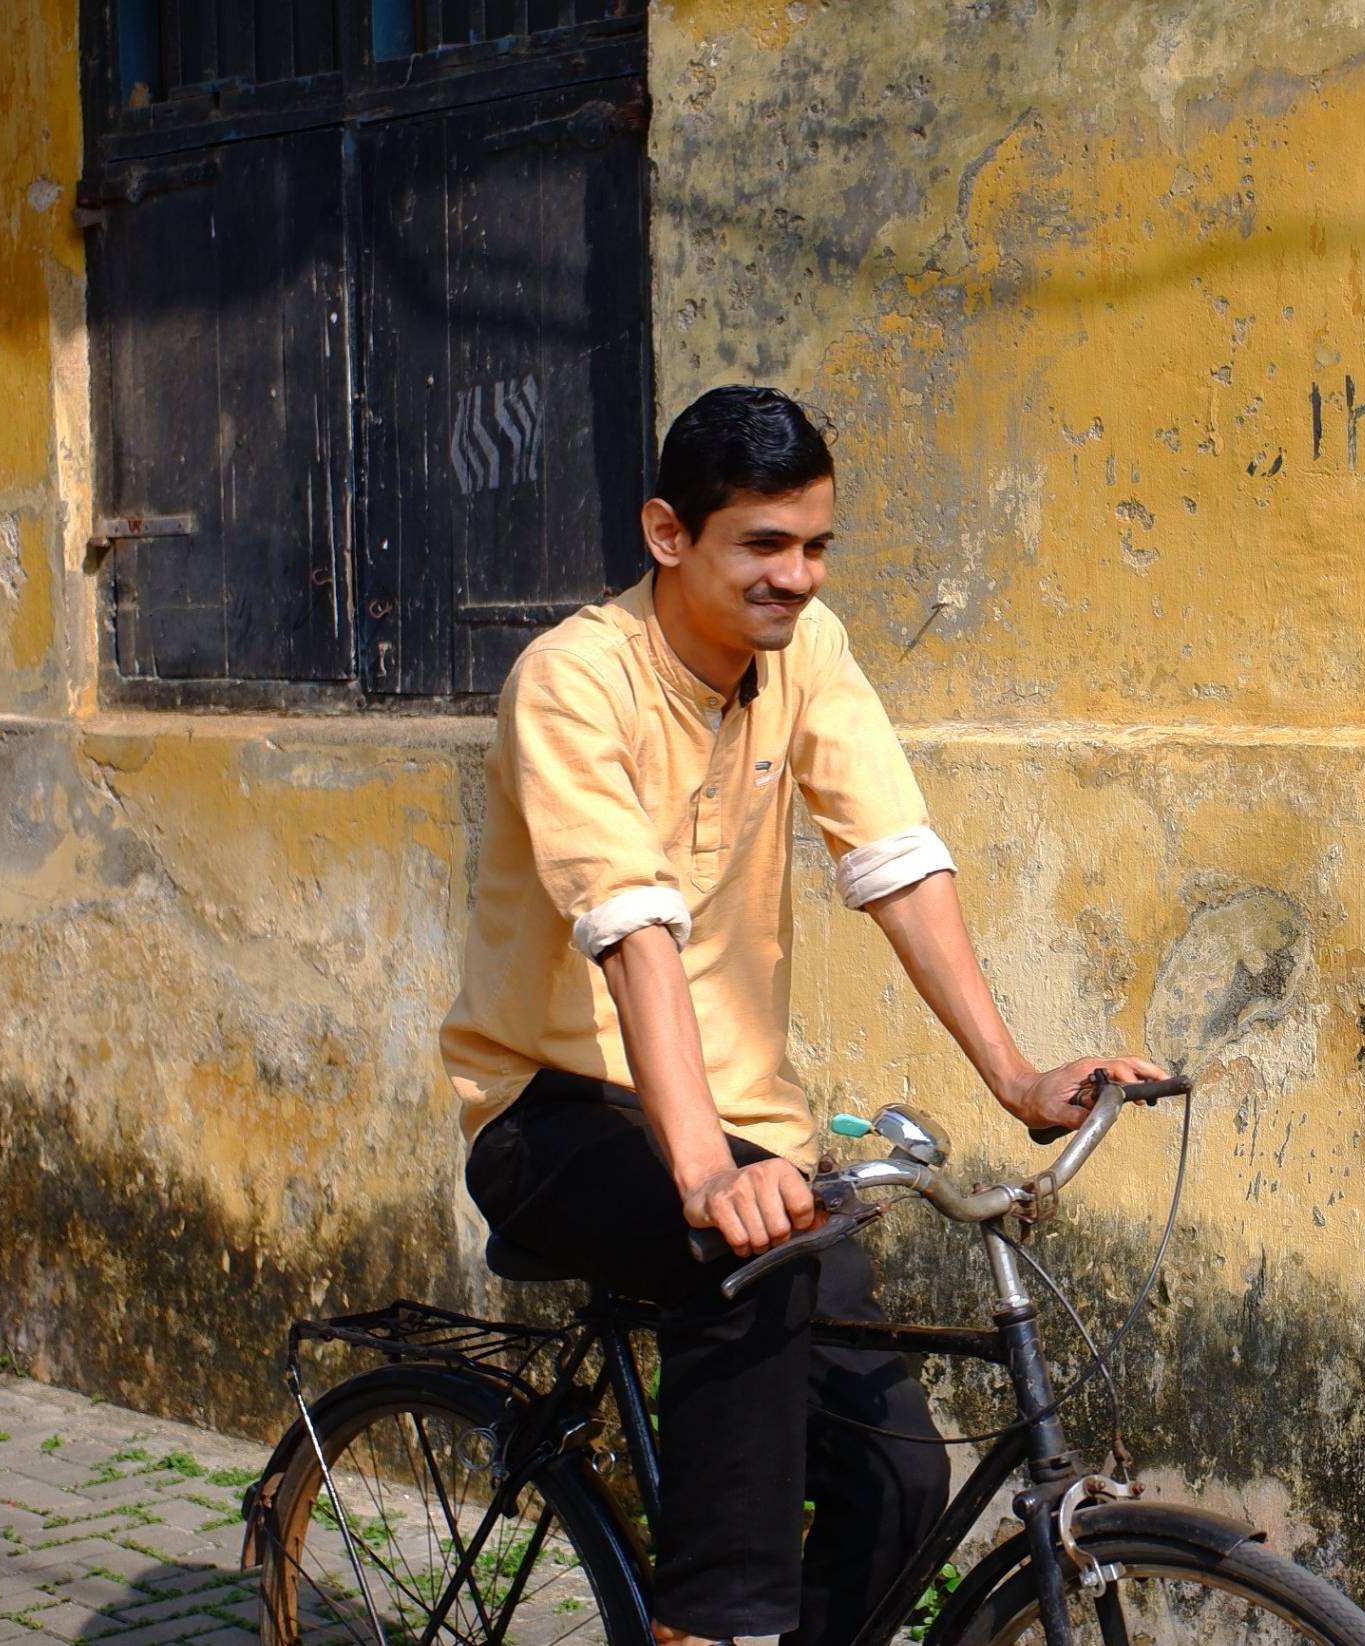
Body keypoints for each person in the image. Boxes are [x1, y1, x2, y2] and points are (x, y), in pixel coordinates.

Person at [441, 385, 1166, 1646]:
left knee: (898, 1477)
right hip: (550, 1111)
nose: (798, 577)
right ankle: (710, 1629)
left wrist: (1014, 1077)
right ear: (669, 533)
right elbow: (633, 931)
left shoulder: (804, 656)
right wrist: (702, 1167)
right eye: (764, 545)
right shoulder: (572, 681)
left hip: (744, 1130)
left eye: (817, 544)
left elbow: (892, 857)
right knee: (750, 1257)